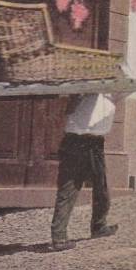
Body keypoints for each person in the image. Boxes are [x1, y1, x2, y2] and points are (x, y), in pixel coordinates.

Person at [50, 93, 123, 251]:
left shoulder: (108, 92)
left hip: (90, 142)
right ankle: (60, 237)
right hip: (80, 140)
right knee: (70, 188)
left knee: (98, 186)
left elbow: (125, 88)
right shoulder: (80, 90)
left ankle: (97, 227)